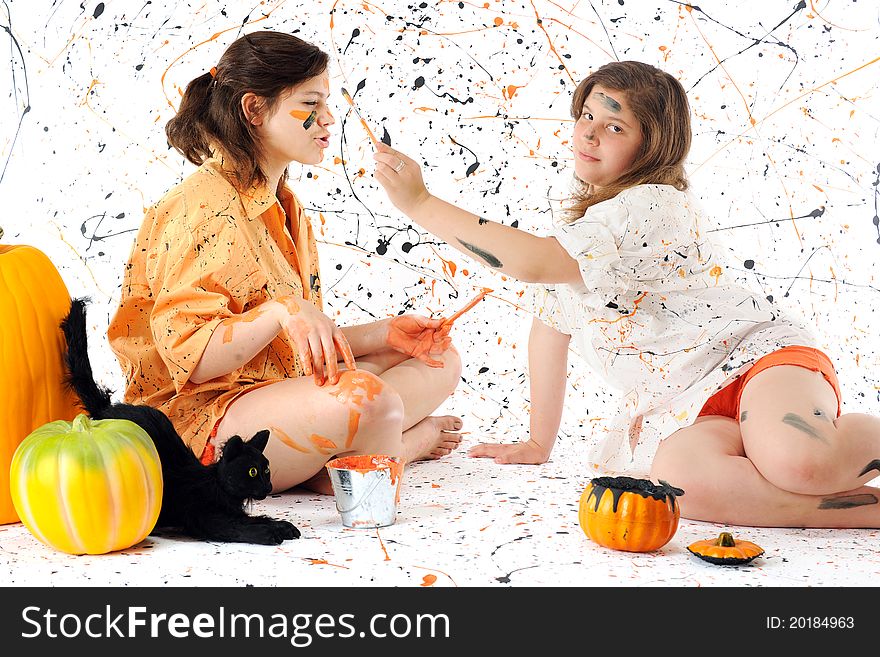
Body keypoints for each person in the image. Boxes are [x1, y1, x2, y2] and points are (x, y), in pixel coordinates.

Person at [372, 60, 880, 528]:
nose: (588, 134)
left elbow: (529, 263)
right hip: (689, 404)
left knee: (800, 461)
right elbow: (550, 331)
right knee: (683, 486)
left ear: (652, 145)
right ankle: (863, 513)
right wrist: (537, 442)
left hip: (760, 361)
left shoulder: (651, 205)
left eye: (614, 126)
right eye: (586, 116)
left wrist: (420, 202)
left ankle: (801, 465)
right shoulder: (581, 231)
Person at [107, 31, 463, 495]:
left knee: (437, 356)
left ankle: (344, 458)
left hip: (269, 395)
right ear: (254, 110)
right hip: (202, 429)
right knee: (370, 399)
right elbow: (190, 361)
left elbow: (290, 344)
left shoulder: (283, 203)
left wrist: (384, 333)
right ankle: (392, 452)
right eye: (311, 103)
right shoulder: (202, 207)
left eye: (328, 103)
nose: (328, 119)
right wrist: (281, 310)